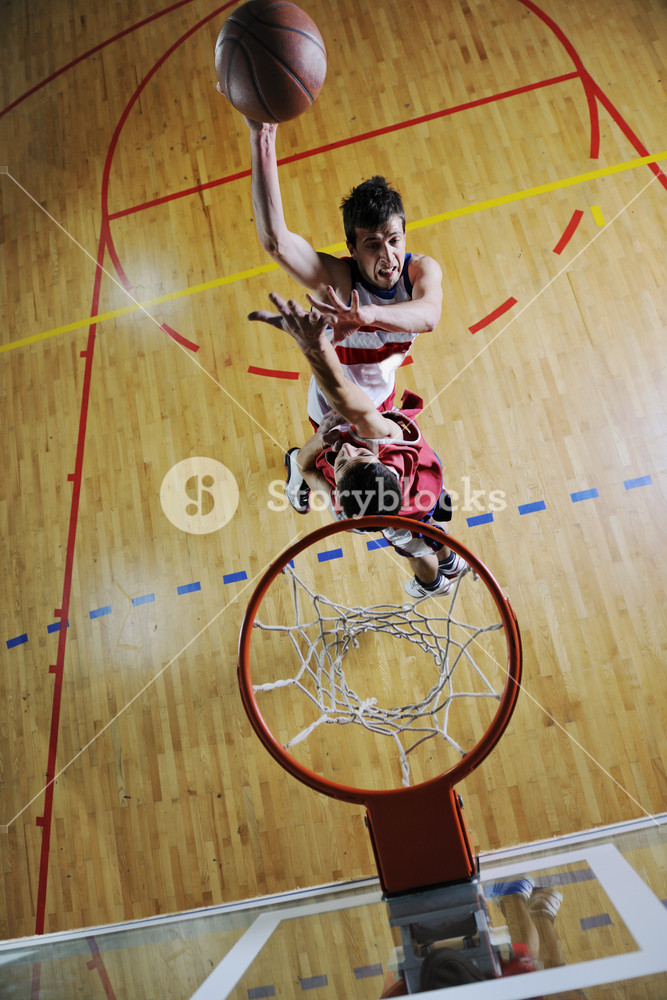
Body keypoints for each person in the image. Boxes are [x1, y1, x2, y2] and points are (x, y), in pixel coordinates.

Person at [249, 292, 466, 599]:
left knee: (417, 548)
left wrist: (314, 346)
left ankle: (433, 583)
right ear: (382, 462)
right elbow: (347, 398)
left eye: (341, 462)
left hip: (415, 506)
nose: (346, 449)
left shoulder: (347, 514)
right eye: (360, 453)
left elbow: (306, 464)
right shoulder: (385, 438)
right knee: (428, 531)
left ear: (338, 488)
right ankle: (449, 561)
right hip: (425, 497)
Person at [241, 117, 444, 426]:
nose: (387, 256)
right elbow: (277, 243)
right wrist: (263, 139)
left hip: (381, 399)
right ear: (352, 248)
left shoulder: (419, 271)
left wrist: (368, 315)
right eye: (372, 245)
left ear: (404, 234)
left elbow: (429, 317)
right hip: (330, 410)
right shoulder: (339, 280)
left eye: (394, 240)